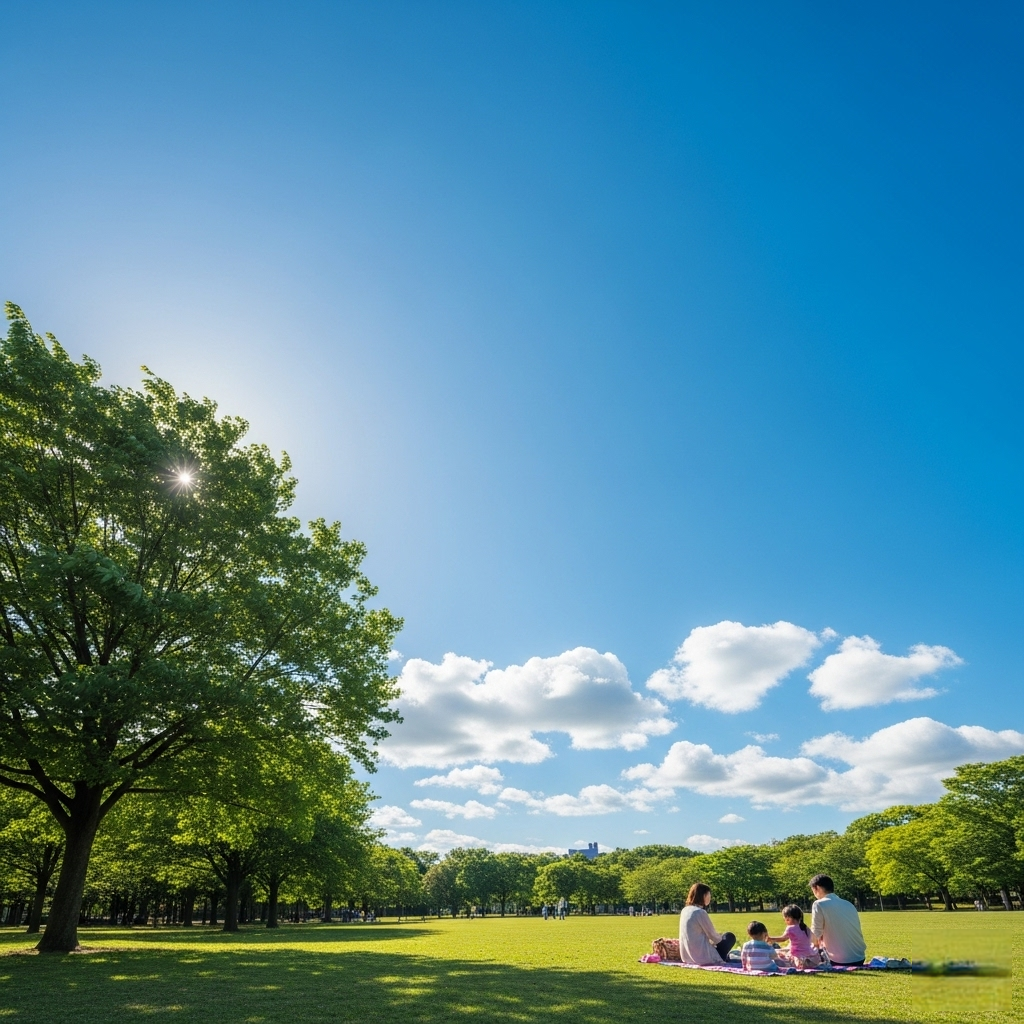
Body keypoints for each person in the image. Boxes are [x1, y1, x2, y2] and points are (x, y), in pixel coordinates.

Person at [809, 874, 866, 967]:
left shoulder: (819, 904)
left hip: (839, 960)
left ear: (817, 888)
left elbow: (816, 933)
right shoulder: (848, 904)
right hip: (859, 958)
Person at [678, 883, 736, 965]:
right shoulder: (699, 912)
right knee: (729, 936)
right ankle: (721, 957)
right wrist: (721, 938)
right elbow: (713, 936)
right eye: (709, 894)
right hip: (703, 957)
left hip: (686, 956)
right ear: (703, 896)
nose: (710, 897)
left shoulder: (685, 910)